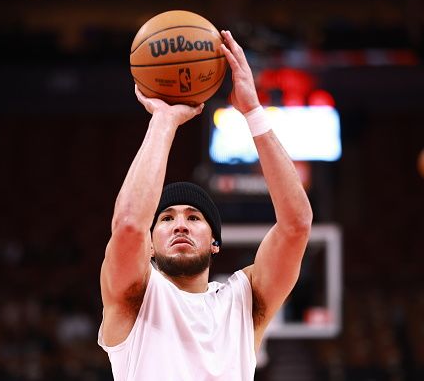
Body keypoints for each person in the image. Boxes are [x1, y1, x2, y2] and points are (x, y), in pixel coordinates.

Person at [98, 29, 312, 380]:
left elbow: (296, 224)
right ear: (149, 244)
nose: (180, 223)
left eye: (194, 216)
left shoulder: (244, 302)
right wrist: (164, 120)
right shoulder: (134, 296)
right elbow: (128, 225)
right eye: (166, 218)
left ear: (215, 242)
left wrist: (253, 111)